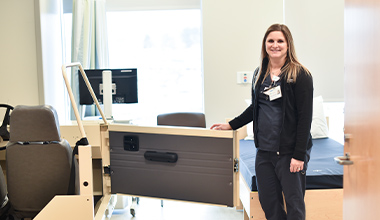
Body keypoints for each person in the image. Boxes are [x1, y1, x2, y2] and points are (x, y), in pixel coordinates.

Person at [211, 23, 313, 220]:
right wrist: (231, 124)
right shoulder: (260, 73)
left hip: (289, 152)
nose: (275, 45)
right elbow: (255, 109)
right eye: (271, 41)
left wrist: (299, 155)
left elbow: (305, 118)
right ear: (265, 44)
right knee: (269, 205)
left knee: (294, 206)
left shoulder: (299, 74)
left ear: (288, 44)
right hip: (264, 152)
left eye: (280, 41)